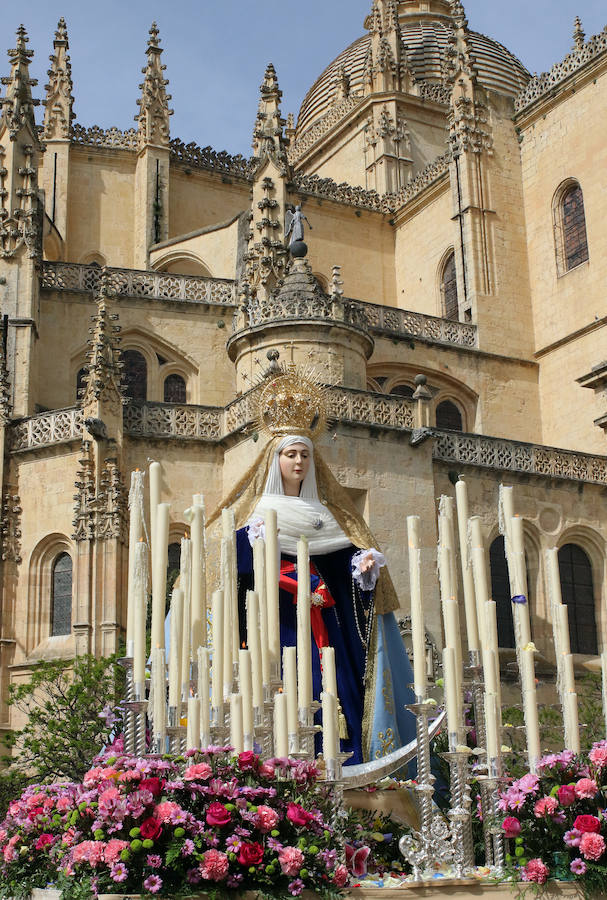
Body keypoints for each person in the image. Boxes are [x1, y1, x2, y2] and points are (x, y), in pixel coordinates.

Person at [207, 366, 416, 765]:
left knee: (334, 688)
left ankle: (346, 763)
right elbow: (235, 571)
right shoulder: (258, 513)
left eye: (305, 454)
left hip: (326, 628)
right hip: (277, 625)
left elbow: (342, 563)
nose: (299, 461)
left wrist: (362, 567)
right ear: (275, 460)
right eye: (290, 454)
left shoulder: (330, 515)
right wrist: (255, 549)